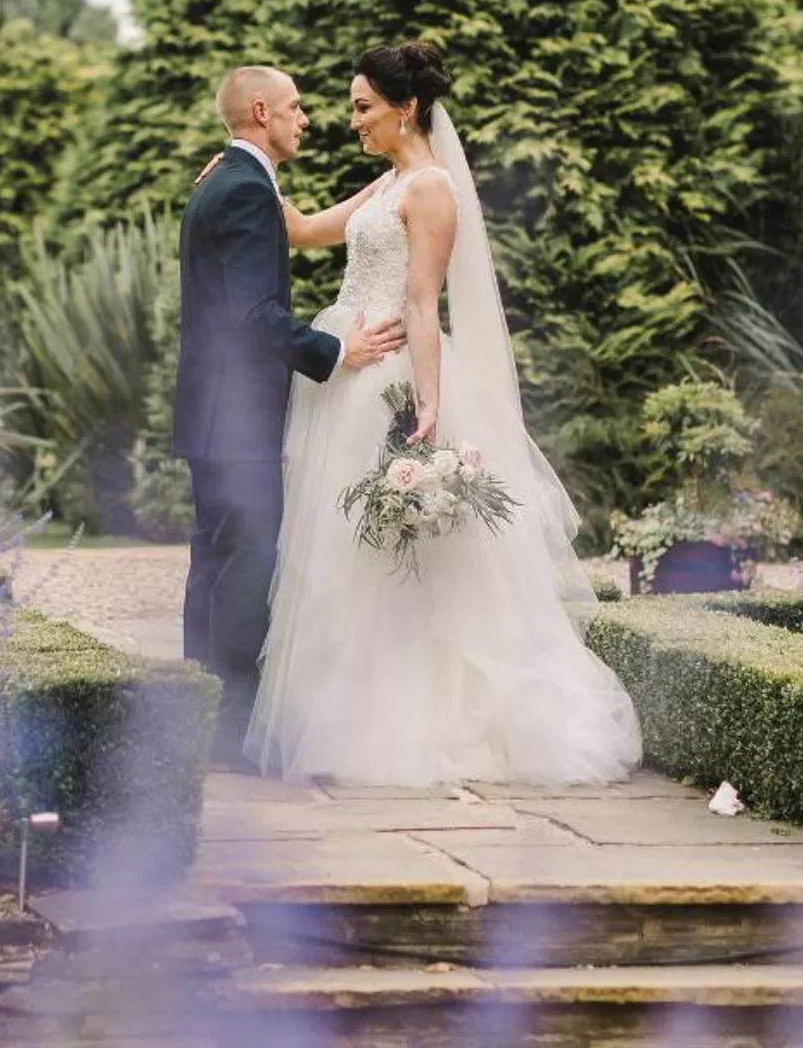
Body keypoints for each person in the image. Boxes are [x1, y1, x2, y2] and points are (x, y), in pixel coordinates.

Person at [241, 40, 641, 785]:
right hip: (346, 375)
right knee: (342, 554)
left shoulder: (430, 190)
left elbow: (424, 302)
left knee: (401, 561)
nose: (352, 119)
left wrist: (427, 407)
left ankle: (422, 721)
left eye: (363, 107)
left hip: (391, 379)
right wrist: (239, 170)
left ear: (407, 108)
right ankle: (348, 713)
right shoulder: (385, 184)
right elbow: (302, 230)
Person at [172, 66, 402, 758]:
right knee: (247, 565)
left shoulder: (231, 181)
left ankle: (196, 719)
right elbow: (253, 314)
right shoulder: (242, 187)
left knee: (214, 561)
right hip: (236, 416)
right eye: (297, 107)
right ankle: (230, 732)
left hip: (212, 414)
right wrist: (336, 349)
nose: (307, 119)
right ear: (262, 111)